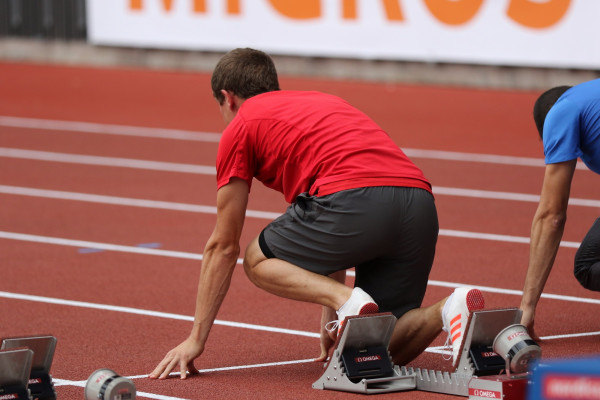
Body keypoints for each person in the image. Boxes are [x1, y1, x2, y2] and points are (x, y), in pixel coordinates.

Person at [149, 48, 484, 380]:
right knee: (373, 349)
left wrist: (196, 339)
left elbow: (223, 245)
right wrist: (331, 316)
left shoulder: (242, 125)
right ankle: (448, 308)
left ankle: (348, 302)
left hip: (353, 200)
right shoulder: (323, 102)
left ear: (227, 98)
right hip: (419, 202)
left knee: (256, 258)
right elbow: (333, 242)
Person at [520, 79, 600, 339]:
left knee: (588, 265)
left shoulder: (561, 113)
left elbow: (551, 217)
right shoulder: (590, 101)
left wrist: (527, 307)